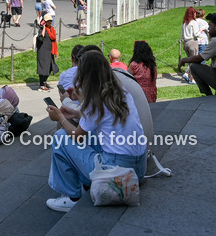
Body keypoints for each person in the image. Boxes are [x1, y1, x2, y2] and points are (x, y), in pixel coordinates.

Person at [44, 50, 148, 212]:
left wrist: (61, 118)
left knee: (60, 138)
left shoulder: (95, 101)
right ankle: (85, 184)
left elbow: (77, 137)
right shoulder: (121, 93)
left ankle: (73, 197)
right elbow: (103, 118)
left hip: (116, 172)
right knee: (91, 137)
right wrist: (78, 113)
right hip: (139, 169)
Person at [36, 13, 59, 91]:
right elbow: (40, 38)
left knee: (50, 67)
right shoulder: (42, 29)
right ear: (45, 21)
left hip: (50, 51)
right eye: (48, 21)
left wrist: (56, 51)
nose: (50, 22)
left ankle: (44, 81)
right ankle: (41, 85)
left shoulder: (52, 29)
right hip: (43, 52)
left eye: (50, 21)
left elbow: (54, 40)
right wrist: (43, 27)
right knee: (43, 68)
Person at [180, 7, 201, 84]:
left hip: (186, 42)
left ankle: (187, 74)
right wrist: (201, 31)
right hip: (192, 42)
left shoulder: (184, 23)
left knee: (190, 60)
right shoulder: (193, 23)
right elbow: (196, 34)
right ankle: (191, 77)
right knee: (194, 61)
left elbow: (182, 34)